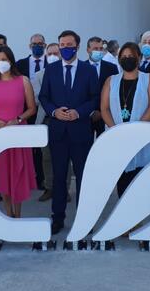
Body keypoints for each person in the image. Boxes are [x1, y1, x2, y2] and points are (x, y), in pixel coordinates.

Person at [38, 30, 99, 235]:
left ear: (77, 46)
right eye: (62, 45)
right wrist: (54, 112)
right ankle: (58, 218)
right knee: (59, 178)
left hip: (81, 132)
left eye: (69, 45)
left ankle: (85, 219)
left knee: (83, 178)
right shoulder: (51, 69)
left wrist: (79, 112)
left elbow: (94, 98)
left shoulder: (88, 70)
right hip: (58, 133)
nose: (65, 48)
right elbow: (44, 97)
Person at [0, 46, 37, 217]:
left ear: (11, 61)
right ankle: (8, 214)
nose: (1, 63)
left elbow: (32, 108)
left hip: (18, 133)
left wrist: (17, 119)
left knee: (18, 174)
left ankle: (17, 216)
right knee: (2, 174)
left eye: (4, 59)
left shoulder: (23, 81)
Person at [100, 42, 150, 195]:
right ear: (119, 59)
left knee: (141, 180)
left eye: (131, 56)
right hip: (118, 138)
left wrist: (135, 130)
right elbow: (104, 108)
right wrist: (116, 130)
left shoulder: (149, 79)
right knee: (122, 179)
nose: (127, 59)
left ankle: (141, 209)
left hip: (143, 135)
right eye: (124, 56)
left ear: (139, 58)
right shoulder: (111, 80)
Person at [37, 44, 72, 203]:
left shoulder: (68, 72)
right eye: (49, 53)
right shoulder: (39, 75)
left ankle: (65, 189)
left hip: (65, 117)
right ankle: (49, 187)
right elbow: (39, 97)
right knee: (47, 157)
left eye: (55, 53)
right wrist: (53, 108)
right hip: (46, 120)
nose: (52, 56)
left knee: (65, 156)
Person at [15, 33, 47, 187]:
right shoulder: (20, 64)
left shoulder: (51, 64)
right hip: (25, 111)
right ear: (29, 46)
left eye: (40, 44)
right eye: (34, 44)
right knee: (27, 146)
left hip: (44, 111)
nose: (37, 46)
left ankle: (41, 179)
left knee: (42, 147)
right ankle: (28, 178)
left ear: (45, 45)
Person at [86, 36, 119, 138]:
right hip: (86, 115)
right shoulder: (81, 67)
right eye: (95, 49)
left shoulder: (112, 68)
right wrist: (91, 112)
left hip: (106, 115)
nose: (99, 51)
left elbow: (114, 91)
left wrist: (102, 111)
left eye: (101, 49)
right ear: (88, 50)